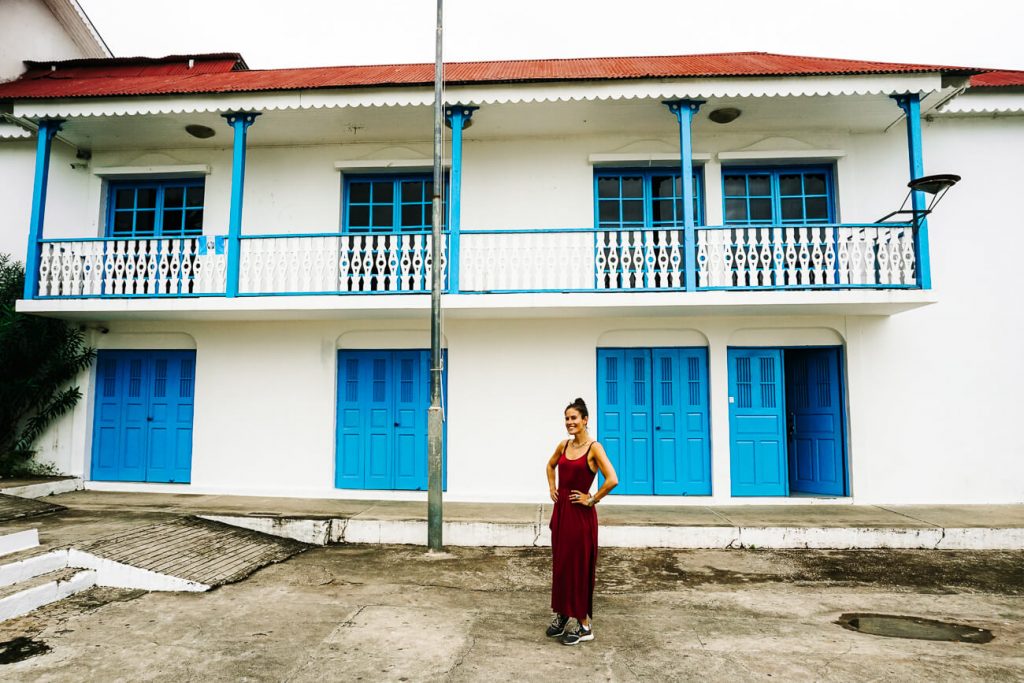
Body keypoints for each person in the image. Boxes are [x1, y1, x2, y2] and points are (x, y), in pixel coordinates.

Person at [545, 397, 618, 646]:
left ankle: (585, 625)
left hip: (580, 516)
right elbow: (550, 465)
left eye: (574, 418)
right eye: (567, 418)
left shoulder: (594, 448)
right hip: (562, 513)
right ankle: (564, 614)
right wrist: (552, 487)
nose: (569, 422)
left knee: (578, 569)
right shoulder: (564, 445)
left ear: (585, 420)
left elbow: (612, 479)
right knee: (562, 566)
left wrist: (593, 499)